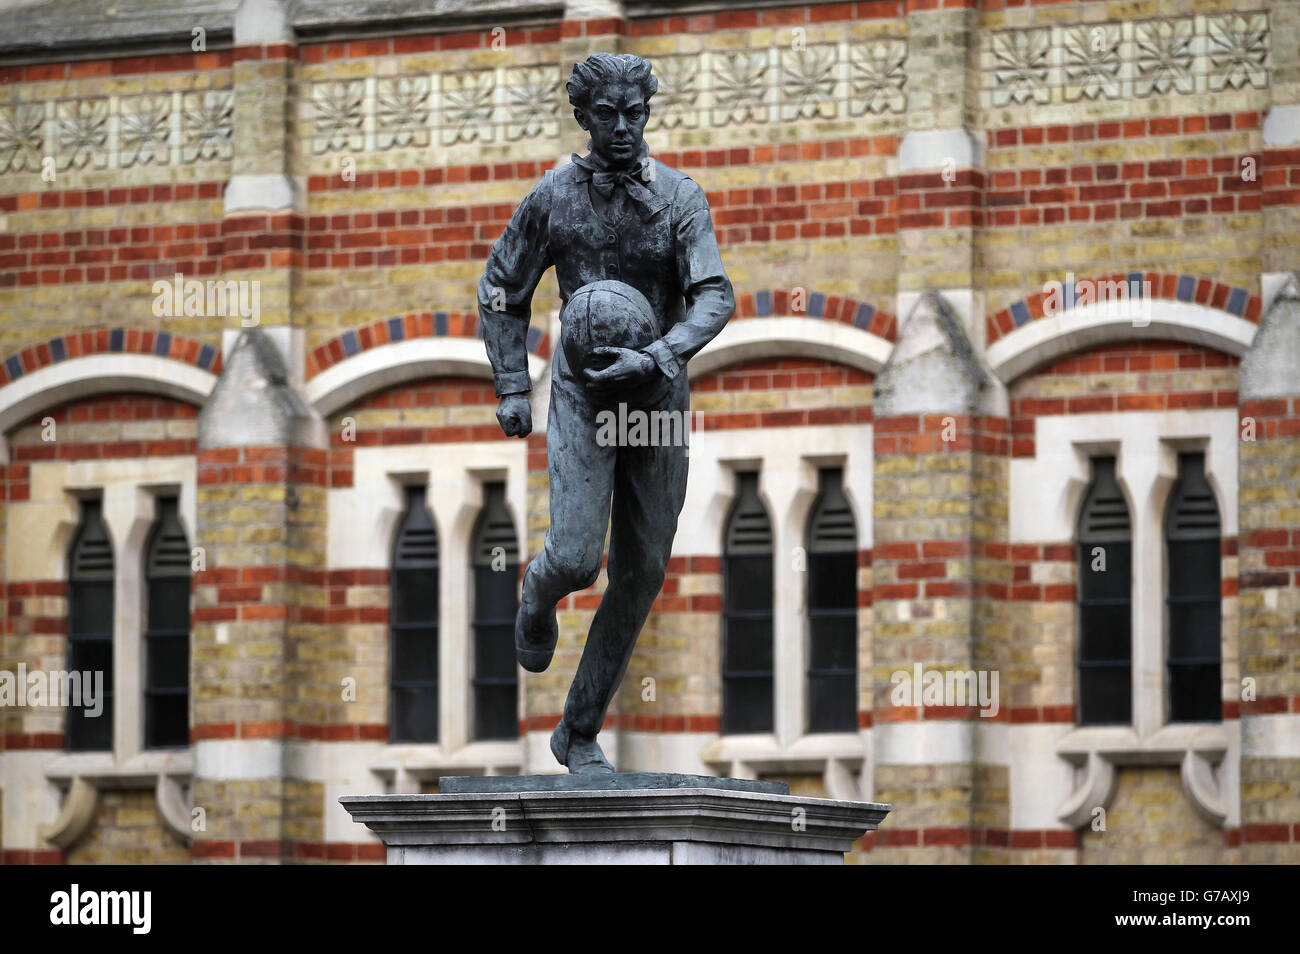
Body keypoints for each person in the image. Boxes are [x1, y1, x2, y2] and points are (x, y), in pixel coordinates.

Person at [477, 52, 734, 774]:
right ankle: (536, 592)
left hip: (655, 393)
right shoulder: (555, 196)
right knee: (576, 558)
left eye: (635, 113)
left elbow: (715, 295)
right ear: (584, 118)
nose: (623, 128)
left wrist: (660, 355)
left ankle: (578, 731)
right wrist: (510, 385)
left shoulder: (681, 198)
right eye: (607, 115)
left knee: (642, 571)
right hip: (586, 394)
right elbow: (502, 286)